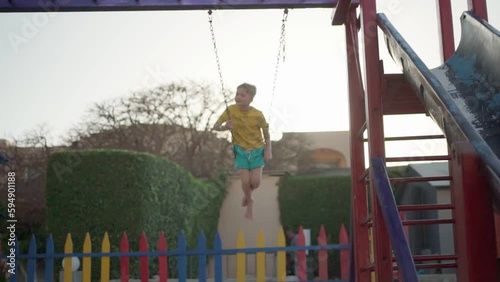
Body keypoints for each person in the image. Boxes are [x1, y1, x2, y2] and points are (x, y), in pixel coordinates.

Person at [213, 83, 272, 220]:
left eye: (242, 95)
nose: (238, 97)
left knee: (255, 182)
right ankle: (250, 200)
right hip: (240, 150)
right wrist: (225, 127)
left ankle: (247, 195)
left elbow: (266, 134)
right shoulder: (230, 110)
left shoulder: (258, 115)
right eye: (237, 94)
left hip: (257, 150)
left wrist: (268, 150)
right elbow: (215, 126)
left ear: (251, 98)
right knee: (245, 181)